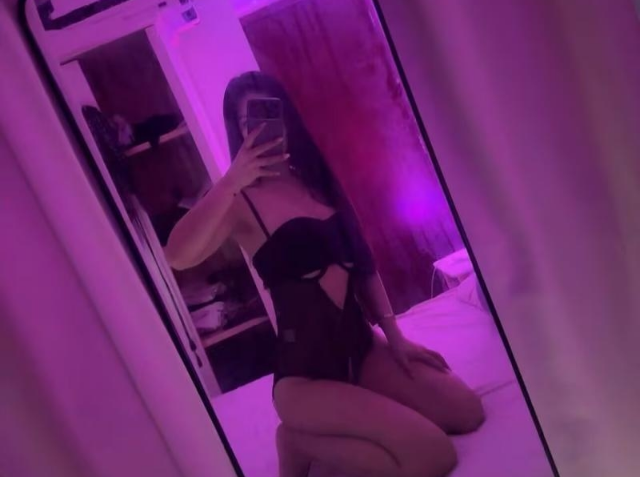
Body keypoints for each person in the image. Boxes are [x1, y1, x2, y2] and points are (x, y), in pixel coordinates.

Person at [165, 71, 484, 477]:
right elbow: (177, 255)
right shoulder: (240, 202)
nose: (264, 129)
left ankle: (361, 404)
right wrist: (229, 181)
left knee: (466, 411)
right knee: (433, 455)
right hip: (305, 379)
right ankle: (297, 440)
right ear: (239, 132)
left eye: (272, 113)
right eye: (250, 122)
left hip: (362, 349)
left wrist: (396, 338)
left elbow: (363, 264)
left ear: (288, 118)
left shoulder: (318, 182)